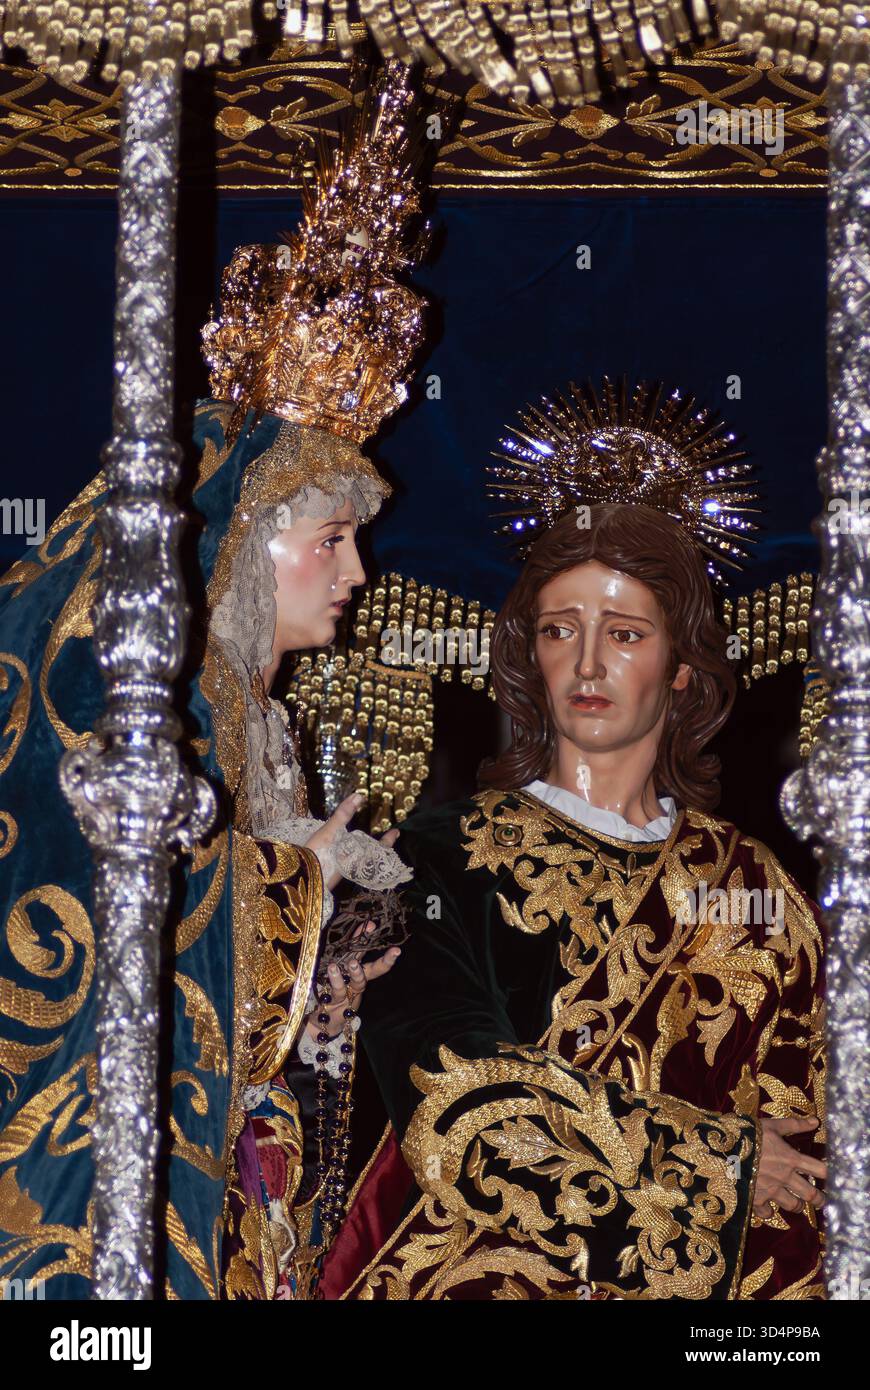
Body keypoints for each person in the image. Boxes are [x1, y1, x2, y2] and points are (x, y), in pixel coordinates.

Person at [0, 63, 425, 1300]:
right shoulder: (159, 704)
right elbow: (127, 924)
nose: (357, 568)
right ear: (243, 537)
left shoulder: (254, 718)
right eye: (331, 534)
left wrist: (334, 960)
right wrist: (309, 878)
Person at [322, 387, 826, 1302]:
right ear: (528, 656)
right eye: (561, 632)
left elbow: (809, 1136)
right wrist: (716, 1167)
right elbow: (451, 1089)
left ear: (680, 669)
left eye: (624, 634)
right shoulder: (434, 855)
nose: (588, 665)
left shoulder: (752, 885)